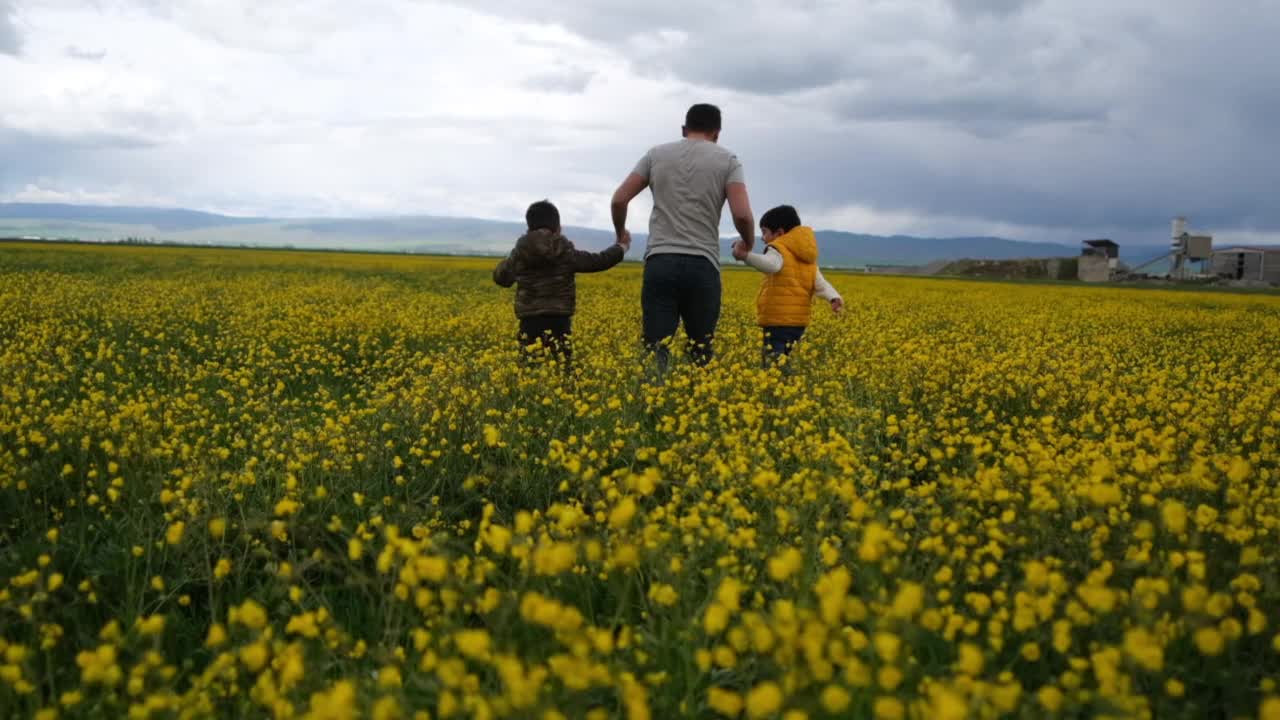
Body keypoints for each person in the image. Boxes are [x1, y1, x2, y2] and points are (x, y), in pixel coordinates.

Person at [610, 103, 756, 371]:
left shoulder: (655, 155)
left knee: (655, 346)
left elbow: (619, 199)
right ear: (717, 133)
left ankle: (651, 404)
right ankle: (697, 402)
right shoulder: (728, 160)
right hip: (703, 264)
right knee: (700, 347)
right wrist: (748, 242)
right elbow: (743, 215)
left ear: (683, 129)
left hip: (660, 261)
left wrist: (621, 235)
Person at [493, 200, 629, 365]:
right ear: (558, 227)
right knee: (564, 373)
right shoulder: (565, 251)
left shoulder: (521, 253)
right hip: (559, 321)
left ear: (528, 227)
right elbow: (598, 261)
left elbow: (501, 278)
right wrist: (621, 247)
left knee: (529, 374)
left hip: (530, 322)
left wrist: (512, 260)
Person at [732, 205, 843, 365]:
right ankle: (787, 383)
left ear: (779, 233)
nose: (762, 237)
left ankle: (775, 385)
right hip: (798, 323)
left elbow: (771, 265)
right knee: (784, 359)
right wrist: (834, 297)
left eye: (764, 232)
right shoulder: (807, 256)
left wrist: (745, 256)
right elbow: (820, 283)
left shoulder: (779, 249)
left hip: (778, 319)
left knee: (772, 363)